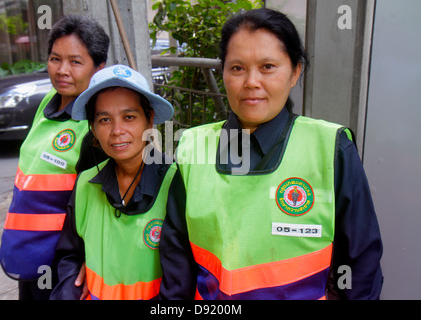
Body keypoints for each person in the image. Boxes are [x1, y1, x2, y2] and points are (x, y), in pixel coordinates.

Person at [158, 8, 383, 300]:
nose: (251, 82)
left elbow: (360, 266)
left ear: (295, 72)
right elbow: (177, 261)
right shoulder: (192, 147)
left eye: (267, 66)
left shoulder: (331, 147)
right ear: (223, 72)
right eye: (237, 68)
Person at [0, 15, 110, 300]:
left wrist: (91, 258)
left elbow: (99, 205)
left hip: (61, 262)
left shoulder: (95, 125)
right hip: (26, 249)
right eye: (55, 59)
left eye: (75, 62)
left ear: (99, 68)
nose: (62, 71)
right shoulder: (48, 103)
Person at [50, 64, 175, 300]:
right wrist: (71, 287)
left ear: (149, 120)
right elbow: (69, 256)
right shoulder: (86, 183)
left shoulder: (176, 183)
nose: (117, 131)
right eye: (105, 119)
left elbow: (183, 278)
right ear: (93, 129)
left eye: (129, 117)